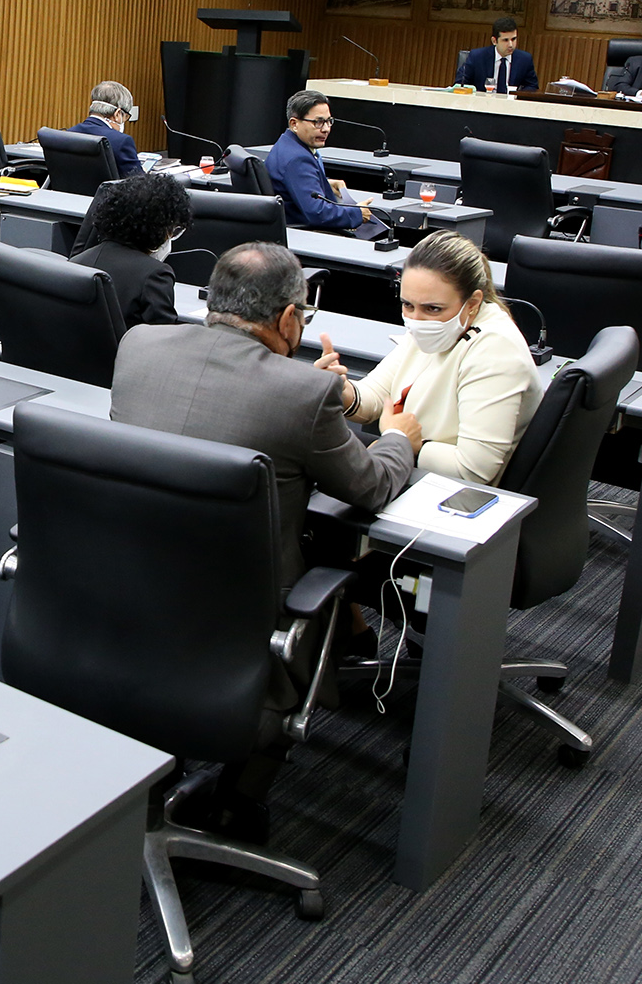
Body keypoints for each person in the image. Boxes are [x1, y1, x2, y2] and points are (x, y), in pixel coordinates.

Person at [109, 241, 418, 839]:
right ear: (289, 318)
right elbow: (371, 485)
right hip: (238, 624)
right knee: (328, 583)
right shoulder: (302, 394)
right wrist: (398, 436)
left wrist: (300, 389)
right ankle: (236, 805)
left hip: (123, 595)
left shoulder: (139, 345)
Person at [313, 230, 543, 486]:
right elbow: (377, 396)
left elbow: (474, 470)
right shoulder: (438, 328)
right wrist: (343, 390)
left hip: (453, 490)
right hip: (420, 468)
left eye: (432, 308)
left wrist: (404, 443)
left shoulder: (496, 349)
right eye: (408, 305)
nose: (416, 320)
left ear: (472, 303)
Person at [69, 174, 192, 328]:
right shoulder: (155, 275)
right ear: (160, 228)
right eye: (172, 230)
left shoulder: (76, 262)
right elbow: (164, 336)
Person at [264, 91, 375, 232]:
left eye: (329, 121)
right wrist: (357, 214)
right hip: (305, 233)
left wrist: (324, 183)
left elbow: (292, 183)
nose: (326, 129)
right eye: (318, 122)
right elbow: (317, 213)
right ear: (294, 123)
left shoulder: (287, 144)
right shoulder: (298, 159)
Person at [66, 81, 145, 177]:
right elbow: (139, 182)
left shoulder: (68, 134)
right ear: (117, 114)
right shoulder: (122, 142)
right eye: (126, 117)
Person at [454, 17, 537, 92]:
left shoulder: (525, 59)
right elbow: (461, 84)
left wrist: (517, 95)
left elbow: (532, 86)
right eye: (505, 40)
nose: (511, 45)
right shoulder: (477, 57)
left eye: (513, 39)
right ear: (494, 41)